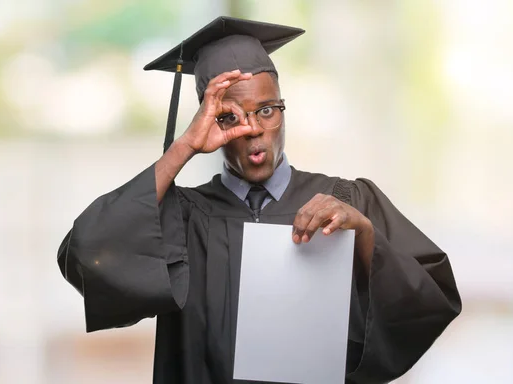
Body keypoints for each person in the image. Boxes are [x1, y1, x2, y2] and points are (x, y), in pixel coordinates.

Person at [57, 16, 462, 384]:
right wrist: (183, 148)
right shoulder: (181, 217)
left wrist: (365, 236)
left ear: (284, 110)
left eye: (267, 110)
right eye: (229, 117)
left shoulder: (346, 201)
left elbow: (430, 300)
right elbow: (87, 253)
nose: (254, 130)